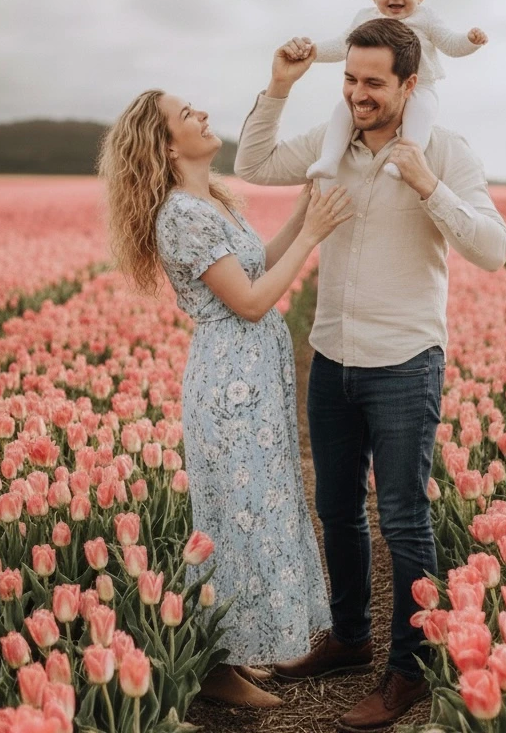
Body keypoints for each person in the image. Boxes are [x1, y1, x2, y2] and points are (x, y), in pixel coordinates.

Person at [234, 19, 506, 730]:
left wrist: (427, 187)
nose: (358, 94)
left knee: (405, 519)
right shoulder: (335, 149)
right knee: (336, 509)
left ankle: (409, 673)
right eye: (350, 80)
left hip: (405, 361)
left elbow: (493, 249)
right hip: (332, 356)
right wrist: (278, 87)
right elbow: (254, 164)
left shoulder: (444, 150)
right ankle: (351, 639)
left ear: (409, 84)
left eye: (374, 83)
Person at [100, 89, 353, 708]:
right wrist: (314, 236)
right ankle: (212, 669)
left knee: (253, 513)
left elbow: (255, 265)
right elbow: (249, 301)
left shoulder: (208, 199)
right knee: (231, 522)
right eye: (187, 116)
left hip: (253, 381)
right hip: (229, 386)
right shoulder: (180, 215)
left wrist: (301, 215)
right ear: (164, 144)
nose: (203, 115)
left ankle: (231, 656)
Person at [302, 0, 487, 182]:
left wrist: (469, 41)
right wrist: (313, 52)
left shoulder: (425, 18)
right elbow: (342, 46)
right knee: (342, 110)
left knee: (421, 115)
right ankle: (329, 159)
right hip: (376, 86)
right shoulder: (365, 18)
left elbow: (450, 44)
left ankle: (403, 162)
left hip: (420, 85)